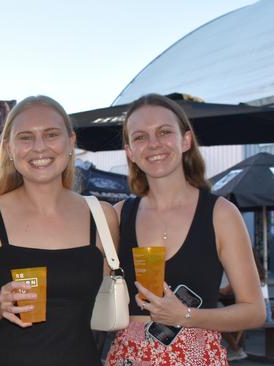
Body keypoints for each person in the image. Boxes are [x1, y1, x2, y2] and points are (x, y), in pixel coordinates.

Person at [0, 95, 119, 366]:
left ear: (71, 143)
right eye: (26, 137)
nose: (39, 147)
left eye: (51, 134)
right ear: (9, 148)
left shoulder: (102, 217)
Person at [105, 94, 265, 365]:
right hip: (129, 358)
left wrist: (187, 316)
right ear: (130, 151)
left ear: (186, 140)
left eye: (164, 132)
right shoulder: (118, 215)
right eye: (140, 137)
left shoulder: (221, 214)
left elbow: (254, 311)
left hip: (197, 357)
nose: (153, 144)